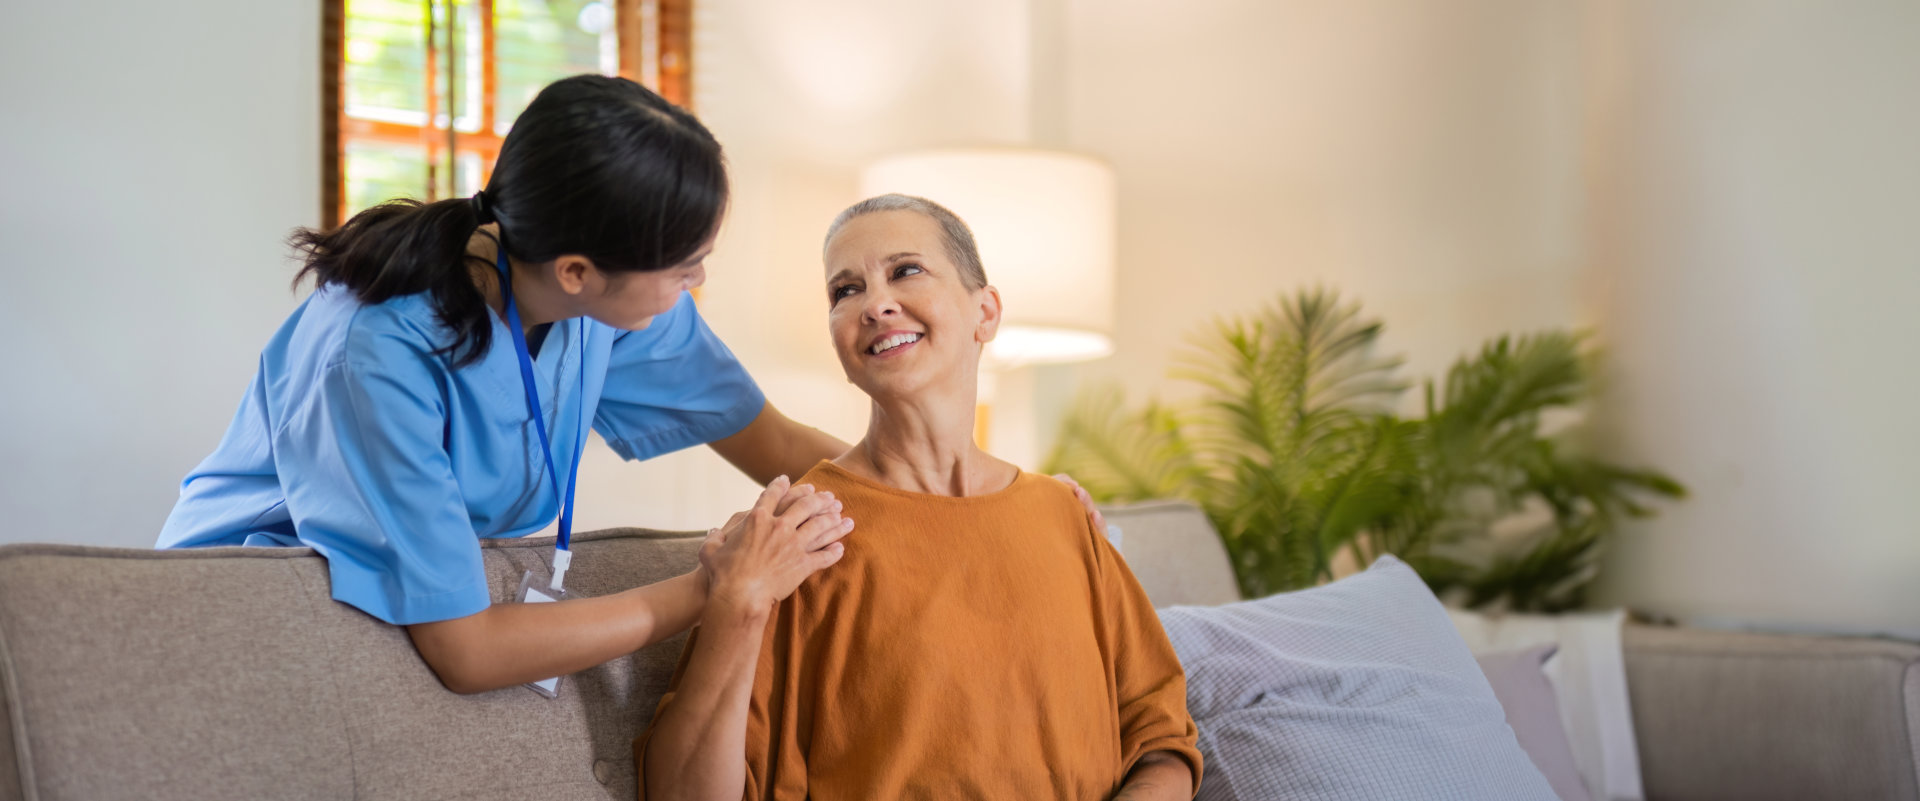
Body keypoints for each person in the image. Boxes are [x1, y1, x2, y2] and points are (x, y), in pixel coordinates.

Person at [154, 75, 855, 695]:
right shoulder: (378, 352)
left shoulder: (599, 305)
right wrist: (718, 587)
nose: (696, 281)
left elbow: (778, 440)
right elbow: (467, 650)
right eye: (683, 267)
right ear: (577, 271)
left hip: (413, 598)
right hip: (247, 608)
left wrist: (944, 498)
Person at [635, 194, 1202, 801]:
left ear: (985, 312)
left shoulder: (1064, 515)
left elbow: (1162, 739)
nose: (875, 303)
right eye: (844, 290)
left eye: (905, 271)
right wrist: (737, 605)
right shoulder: (799, 534)